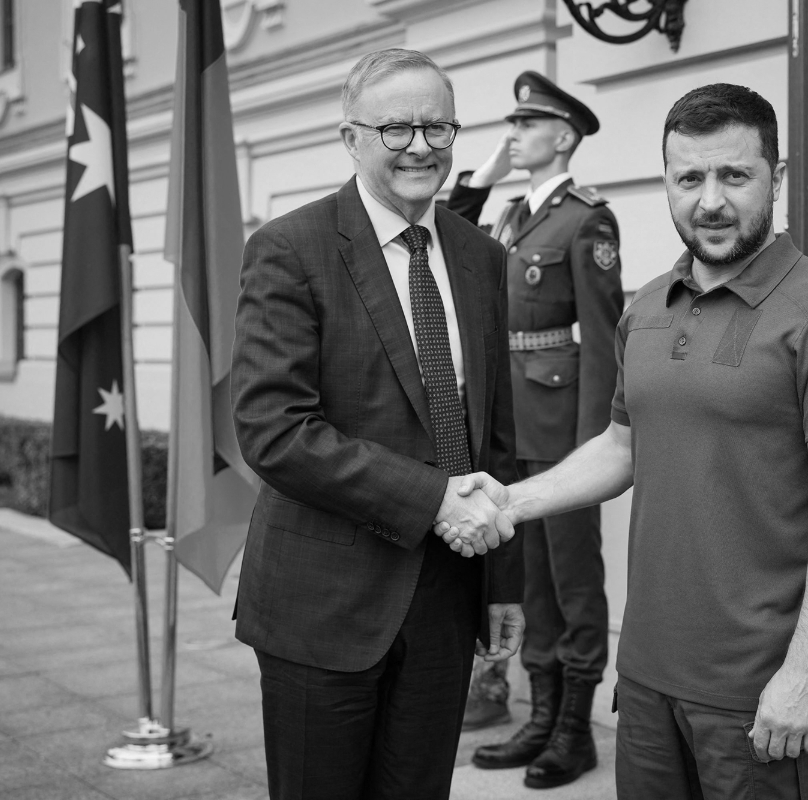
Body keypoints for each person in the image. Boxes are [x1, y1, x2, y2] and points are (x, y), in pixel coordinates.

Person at [439, 82, 808, 799]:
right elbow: (621, 449)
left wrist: (805, 674)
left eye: (734, 175)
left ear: (775, 176)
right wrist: (508, 500)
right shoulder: (646, 307)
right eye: (689, 178)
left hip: (757, 693)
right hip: (647, 682)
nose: (710, 200)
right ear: (668, 184)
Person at [230, 49, 524, 800]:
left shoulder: (481, 256)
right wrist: (433, 500)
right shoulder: (290, 249)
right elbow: (274, 429)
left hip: (446, 601)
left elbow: (497, 435)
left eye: (437, 125)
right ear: (351, 137)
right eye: (395, 128)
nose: (420, 146)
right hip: (322, 604)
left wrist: (504, 583)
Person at [443, 72, 624, 790]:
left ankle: (574, 730)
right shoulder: (514, 213)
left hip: (563, 429)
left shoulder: (587, 220)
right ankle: (542, 717)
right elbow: (453, 229)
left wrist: (592, 448)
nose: (512, 135)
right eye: (512, 124)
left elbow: (606, 344)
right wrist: (482, 177)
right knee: (529, 581)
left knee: (573, 581)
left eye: (526, 125)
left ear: (564, 136)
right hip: (509, 425)